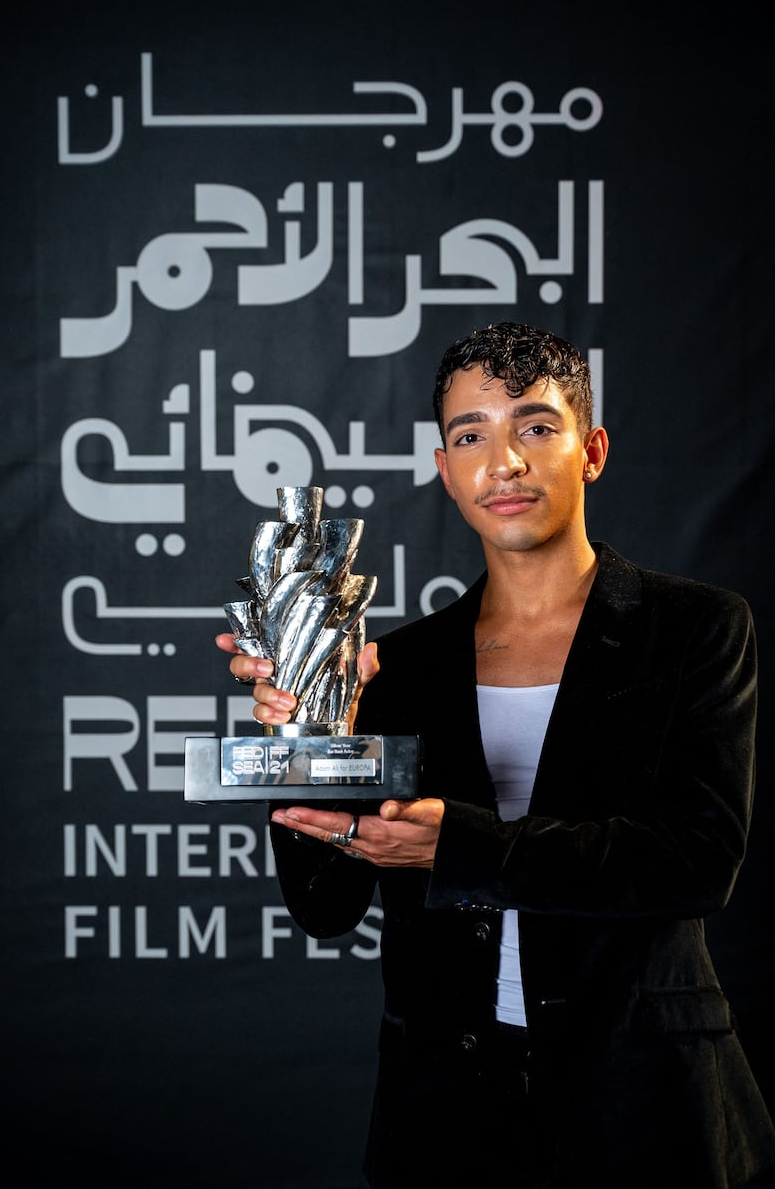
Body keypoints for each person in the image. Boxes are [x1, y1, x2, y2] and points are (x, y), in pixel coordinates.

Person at [216, 321, 775, 1188]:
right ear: (445, 469)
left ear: (589, 451)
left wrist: (460, 845)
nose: (502, 461)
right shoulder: (396, 667)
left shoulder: (696, 629)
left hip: (641, 1104)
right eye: (470, 435)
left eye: (535, 427)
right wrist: (305, 739)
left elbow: (697, 861)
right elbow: (327, 904)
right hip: (447, 1115)